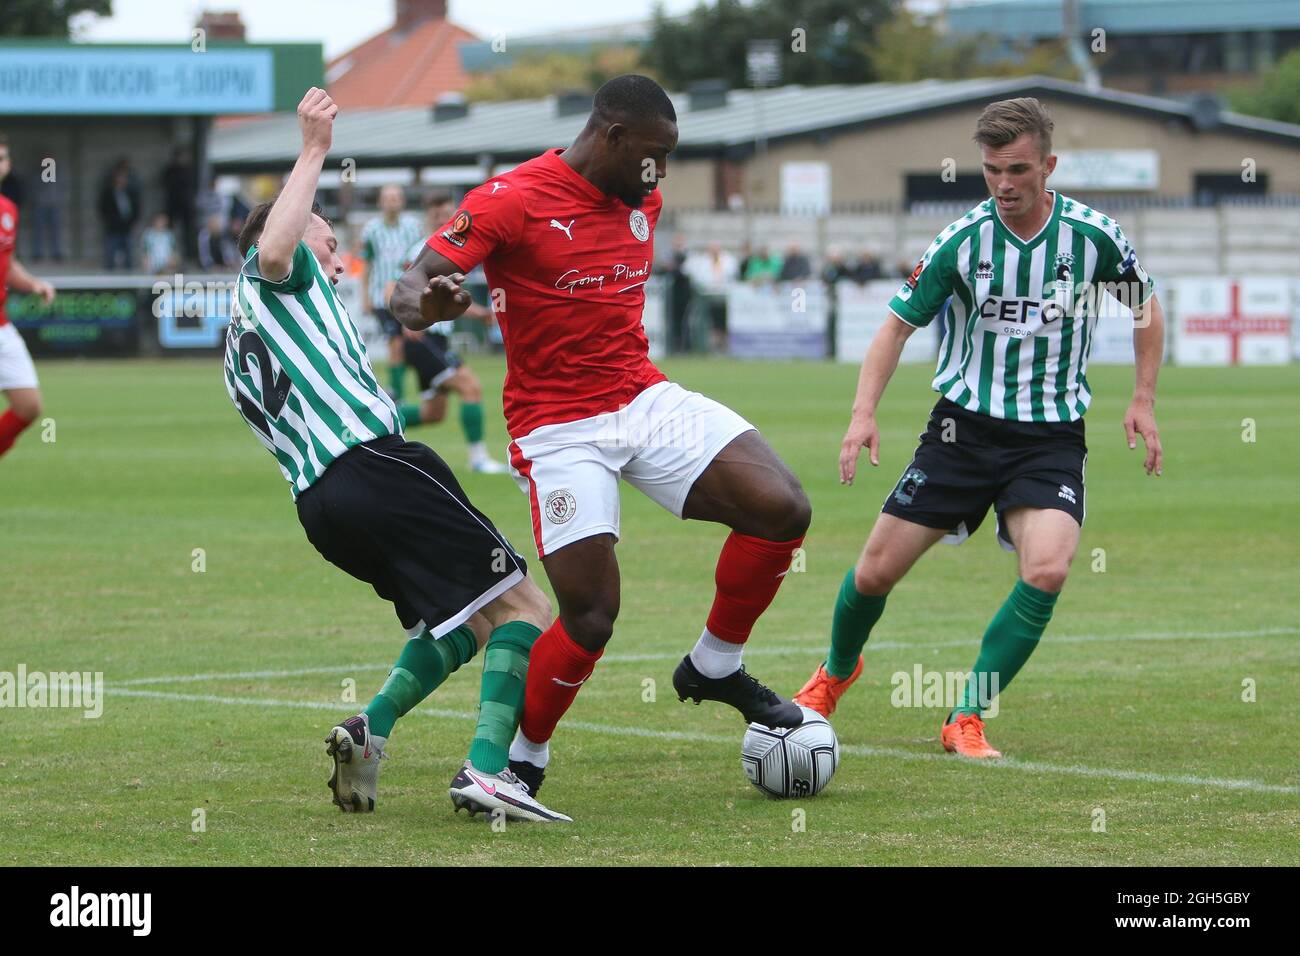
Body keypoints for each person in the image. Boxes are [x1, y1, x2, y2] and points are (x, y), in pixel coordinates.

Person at [393, 75, 811, 815]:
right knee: (590, 613)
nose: (662, 176)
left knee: (781, 507)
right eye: (655, 156)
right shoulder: (511, 200)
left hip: (642, 396)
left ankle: (715, 666)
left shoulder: (638, 194)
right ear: (612, 138)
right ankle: (521, 762)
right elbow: (410, 287)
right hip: (557, 426)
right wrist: (429, 306)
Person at [223, 88, 568, 823]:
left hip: (320, 508)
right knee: (527, 608)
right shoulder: (277, 271)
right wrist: (313, 148)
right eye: (327, 240)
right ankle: (487, 770)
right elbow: (278, 247)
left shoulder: (238, 344)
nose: (336, 263)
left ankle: (368, 731)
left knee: (462, 623)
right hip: (377, 469)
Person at [793, 97, 1165, 759]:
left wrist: (1142, 399)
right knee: (875, 573)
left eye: (1019, 169)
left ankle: (966, 715)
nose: (1004, 183)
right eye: (993, 169)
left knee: (1047, 568)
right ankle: (835, 672)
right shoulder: (962, 242)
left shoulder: (1093, 237)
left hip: (1050, 438)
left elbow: (1145, 308)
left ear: (1049, 165)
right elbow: (895, 326)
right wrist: (861, 415)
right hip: (960, 434)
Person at [392, 192, 509, 474]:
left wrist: (480, 313)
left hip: (437, 338)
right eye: (436, 214)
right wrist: (409, 321)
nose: (442, 219)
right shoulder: (421, 250)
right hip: (424, 337)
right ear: (428, 217)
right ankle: (479, 459)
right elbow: (401, 288)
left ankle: (373, 421)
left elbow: (447, 301)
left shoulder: (455, 248)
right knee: (471, 387)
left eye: (446, 214)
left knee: (433, 413)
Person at [0, 134, 55, 460]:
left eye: (4, 158)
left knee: (28, 405)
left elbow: (7, 264)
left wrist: (33, 284)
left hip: (2, 325)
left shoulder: (8, 210)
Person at [359, 184, 424, 403]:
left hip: (407, 295)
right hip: (381, 297)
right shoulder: (371, 230)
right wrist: (365, 296)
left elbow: (421, 259)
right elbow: (366, 265)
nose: (392, 201)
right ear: (380, 202)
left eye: (396, 197)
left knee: (406, 345)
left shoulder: (414, 227)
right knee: (395, 343)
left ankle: (395, 388)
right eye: (388, 198)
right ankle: (398, 396)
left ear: (403, 200)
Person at [98, 160, 140, 271]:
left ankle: (130, 282)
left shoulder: (131, 192)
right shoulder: (108, 193)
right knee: (110, 256)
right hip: (113, 229)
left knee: (129, 257)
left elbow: (137, 209)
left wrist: (133, 222)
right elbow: (103, 210)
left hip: (127, 228)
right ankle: (108, 282)